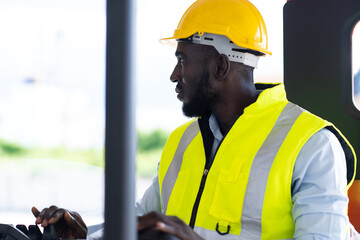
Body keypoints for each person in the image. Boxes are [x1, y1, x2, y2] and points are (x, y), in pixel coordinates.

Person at [32, 0, 358, 239]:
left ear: (219, 66)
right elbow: (142, 221)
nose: (174, 75)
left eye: (182, 59)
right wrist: (86, 235)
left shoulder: (311, 145)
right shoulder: (183, 141)